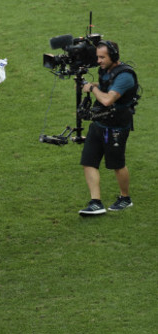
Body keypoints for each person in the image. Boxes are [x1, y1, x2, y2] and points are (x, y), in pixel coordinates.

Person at [79, 41, 139, 215]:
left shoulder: (125, 76)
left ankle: (125, 198)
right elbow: (105, 87)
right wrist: (94, 85)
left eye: (102, 57)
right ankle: (95, 202)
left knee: (117, 164)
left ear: (113, 56)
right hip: (99, 123)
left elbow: (107, 100)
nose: (98, 61)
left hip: (116, 127)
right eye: (97, 56)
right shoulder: (106, 70)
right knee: (88, 161)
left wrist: (91, 88)